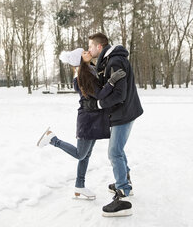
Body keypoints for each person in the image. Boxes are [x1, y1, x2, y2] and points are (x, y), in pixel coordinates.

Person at [37, 48, 126, 200]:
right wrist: (112, 81)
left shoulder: (88, 70)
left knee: (86, 156)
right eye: (84, 52)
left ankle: (80, 186)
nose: (87, 52)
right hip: (87, 119)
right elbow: (99, 94)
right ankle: (52, 139)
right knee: (80, 154)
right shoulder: (83, 75)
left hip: (93, 118)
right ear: (79, 60)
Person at [84, 33, 143, 217]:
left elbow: (119, 95)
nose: (89, 50)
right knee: (118, 149)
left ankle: (122, 193)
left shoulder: (114, 62)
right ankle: (125, 180)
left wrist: (99, 105)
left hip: (123, 113)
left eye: (91, 47)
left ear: (99, 47)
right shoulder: (109, 61)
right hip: (123, 112)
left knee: (114, 152)